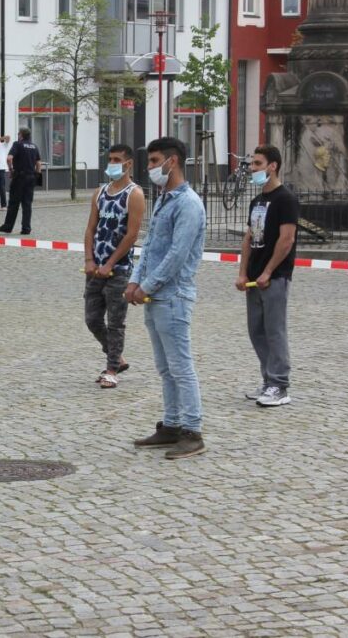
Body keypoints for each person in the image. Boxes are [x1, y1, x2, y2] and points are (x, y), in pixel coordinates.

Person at [125, 137, 207, 460]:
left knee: (180, 365)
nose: (150, 168)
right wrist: (135, 280)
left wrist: (148, 285)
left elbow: (176, 255)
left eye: (155, 160)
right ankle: (171, 425)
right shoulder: (163, 199)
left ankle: (192, 429)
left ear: (172, 162)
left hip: (173, 296)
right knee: (164, 366)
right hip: (154, 296)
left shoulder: (189, 204)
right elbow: (150, 247)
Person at [238, 144, 299, 407]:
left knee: (274, 330)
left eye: (258, 164)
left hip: (274, 276)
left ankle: (279, 384)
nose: (252, 169)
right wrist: (243, 272)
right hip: (254, 277)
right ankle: (268, 379)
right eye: (252, 164)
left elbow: (286, 240)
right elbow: (250, 237)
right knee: (257, 331)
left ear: (272, 166)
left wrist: (268, 271)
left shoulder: (285, 199)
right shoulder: (258, 200)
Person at [84, 145, 145, 389]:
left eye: (117, 160)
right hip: (95, 268)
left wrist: (110, 262)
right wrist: (89, 259)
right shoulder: (100, 192)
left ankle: (111, 369)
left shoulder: (135, 194)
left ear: (128, 164)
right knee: (92, 319)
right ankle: (116, 357)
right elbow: (90, 229)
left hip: (118, 269)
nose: (112, 164)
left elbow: (131, 235)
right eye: (110, 159)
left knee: (116, 321)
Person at [0, 127, 41, 235]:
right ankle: (26, 228)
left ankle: (8, 226)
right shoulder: (34, 146)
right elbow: (39, 163)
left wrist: (11, 170)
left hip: (19, 177)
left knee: (14, 203)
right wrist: (37, 175)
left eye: (18, 134)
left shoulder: (17, 144)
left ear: (21, 135)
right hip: (31, 177)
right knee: (27, 204)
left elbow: (9, 158)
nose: (17, 135)